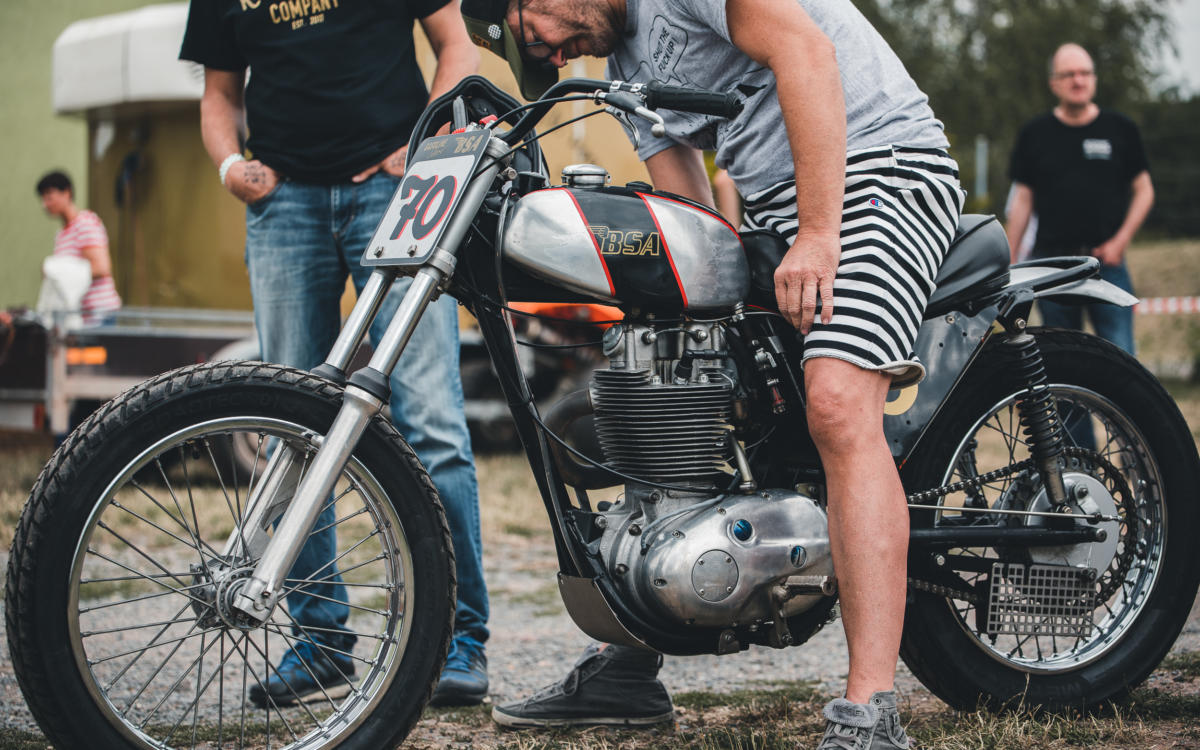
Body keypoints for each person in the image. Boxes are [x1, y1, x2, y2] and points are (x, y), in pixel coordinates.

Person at [462, 0, 965, 746]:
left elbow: (806, 53)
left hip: (881, 176)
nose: (558, 59)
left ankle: (872, 712)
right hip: (776, 206)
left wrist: (819, 236)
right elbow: (689, 212)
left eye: (538, 38)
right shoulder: (622, 68)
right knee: (663, 363)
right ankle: (629, 660)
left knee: (835, 403)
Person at [179, 0, 490, 708]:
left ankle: (458, 639)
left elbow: (457, 45)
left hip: (396, 191)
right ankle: (320, 642)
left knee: (433, 421)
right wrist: (230, 166)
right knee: (289, 429)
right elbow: (219, 94)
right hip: (284, 205)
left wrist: (429, 144)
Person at [1006, 43, 1154, 356]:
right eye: (1069, 74)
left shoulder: (1120, 129)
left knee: (1121, 356)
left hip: (1107, 264)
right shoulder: (1035, 134)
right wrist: (1008, 259)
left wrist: (1120, 242)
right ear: (1054, 83)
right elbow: (1022, 201)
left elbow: (1145, 191)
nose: (1078, 80)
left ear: (1094, 79)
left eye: (1085, 73)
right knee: (1063, 358)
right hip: (1052, 268)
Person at [36, 171, 122, 327]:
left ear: (67, 192)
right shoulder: (61, 234)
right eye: (43, 199)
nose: (45, 204)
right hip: (79, 318)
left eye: (49, 197)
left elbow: (101, 267)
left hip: (99, 316)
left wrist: (55, 271)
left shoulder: (85, 223)